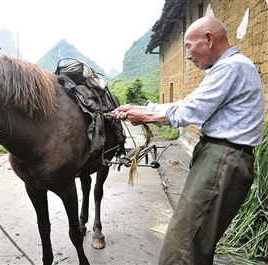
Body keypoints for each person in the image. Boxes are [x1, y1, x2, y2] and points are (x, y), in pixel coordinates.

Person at [113, 16, 265, 265]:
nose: (187, 55)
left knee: (183, 244)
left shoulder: (230, 68)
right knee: (197, 238)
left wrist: (146, 115)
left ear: (208, 39)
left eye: (188, 46)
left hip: (222, 159)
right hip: (222, 156)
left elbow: (188, 112)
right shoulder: (231, 67)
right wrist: (142, 107)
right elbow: (185, 105)